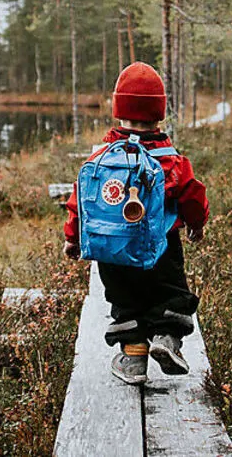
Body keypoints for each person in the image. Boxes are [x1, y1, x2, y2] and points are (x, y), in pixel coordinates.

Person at [62, 62, 209, 385]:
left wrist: (72, 238)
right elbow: (192, 195)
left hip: (112, 250)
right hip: (161, 247)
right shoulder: (170, 159)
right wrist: (197, 224)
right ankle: (166, 340)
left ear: (119, 111)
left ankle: (133, 361)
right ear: (159, 114)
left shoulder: (100, 157)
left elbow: (80, 201)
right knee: (169, 294)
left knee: (126, 304)